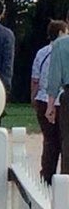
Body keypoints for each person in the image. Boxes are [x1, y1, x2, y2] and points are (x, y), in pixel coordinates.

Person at [32, 20, 68, 183]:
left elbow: (38, 79)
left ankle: (50, 177)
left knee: (52, 142)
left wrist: (40, 101)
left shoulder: (45, 51)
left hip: (49, 98)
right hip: (59, 99)